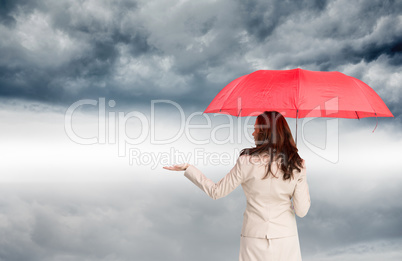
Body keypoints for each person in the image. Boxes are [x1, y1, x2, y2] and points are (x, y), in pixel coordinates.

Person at [163, 111, 311, 261]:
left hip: (253, 235)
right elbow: (301, 211)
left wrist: (189, 168)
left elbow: (216, 192)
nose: (253, 134)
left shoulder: (246, 162)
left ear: (265, 132)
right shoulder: (298, 165)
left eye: (256, 129)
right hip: (286, 237)